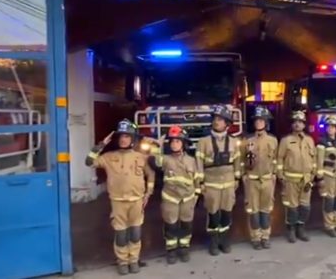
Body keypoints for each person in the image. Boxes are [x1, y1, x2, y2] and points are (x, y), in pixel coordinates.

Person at [85, 119, 155, 275]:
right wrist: (100, 145)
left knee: (136, 233)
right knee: (121, 235)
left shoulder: (141, 157)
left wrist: (148, 194)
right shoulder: (109, 156)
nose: (123, 139)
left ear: (133, 139)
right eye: (121, 136)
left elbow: (151, 175)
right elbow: (89, 162)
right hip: (118, 202)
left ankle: (134, 260)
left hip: (137, 201)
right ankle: (123, 262)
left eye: (127, 136)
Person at [195, 105, 242, 255]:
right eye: (215, 119)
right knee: (213, 214)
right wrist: (200, 183)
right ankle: (214, 243)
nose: (216, 122)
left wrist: (237, 178)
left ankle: (224, 240)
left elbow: (237, 162)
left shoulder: (234, 142)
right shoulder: (203, 142)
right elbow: (198, 164)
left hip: (229, 183)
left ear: (227, 124)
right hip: (211, 184)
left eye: (220, 119)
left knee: (227, 213)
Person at [151, 126, 200, 264]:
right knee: (170, 225)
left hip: (188, 198)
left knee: (186, 225)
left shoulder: (191, 160)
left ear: (183, 144)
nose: (174, 144)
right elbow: (156, 161)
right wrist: (157, 146)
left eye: (177, 141)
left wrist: (196, 195)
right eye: (172, 142)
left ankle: (184, 248)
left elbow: (197, 179)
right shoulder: (165, 159)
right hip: (170, 198)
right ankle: (171, 250)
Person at [241, 105, 279, 250]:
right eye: (256, 120)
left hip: (267, 179)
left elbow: (276, 159)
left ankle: (265, 237)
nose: (258, 123)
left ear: (266, 122)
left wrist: (274, 173)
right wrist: (243, 175)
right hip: (252, 180)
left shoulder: (273, 140)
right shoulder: (246, 140)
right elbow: (241, 161)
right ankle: (255, 237)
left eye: (261, 120)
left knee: (266, 210)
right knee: (253, 211)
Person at [276, 110, 317, 243]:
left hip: (306, 180)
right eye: (295, 122)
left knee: (305, 207)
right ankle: (291, 230)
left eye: (300, 122)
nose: (297, 124)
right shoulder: (286, 141)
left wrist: (313, 175)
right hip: (291, 180)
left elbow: (314, 159)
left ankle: (301, 229)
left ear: (304, 125)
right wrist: (280, 175)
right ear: (292, 125)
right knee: (292, 207)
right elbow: (280, 159)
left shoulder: (310, 140)